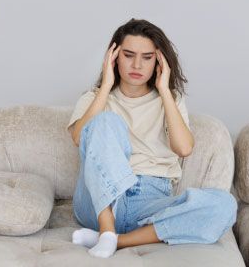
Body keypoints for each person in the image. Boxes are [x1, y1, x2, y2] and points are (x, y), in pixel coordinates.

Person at [67, 18, 237, 258]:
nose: (137, 64)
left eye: (147, 57)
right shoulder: (93, 98)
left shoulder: (171, 100)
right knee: (105, 122)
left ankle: (114, 239)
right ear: (114, 58)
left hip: (149, 202)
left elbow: (184, 148)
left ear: (159, 61)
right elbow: (78, 137)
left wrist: (166, 90)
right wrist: (106, 86)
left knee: (225, 205)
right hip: (99, 202)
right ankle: (106, 227)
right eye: (128, 55)